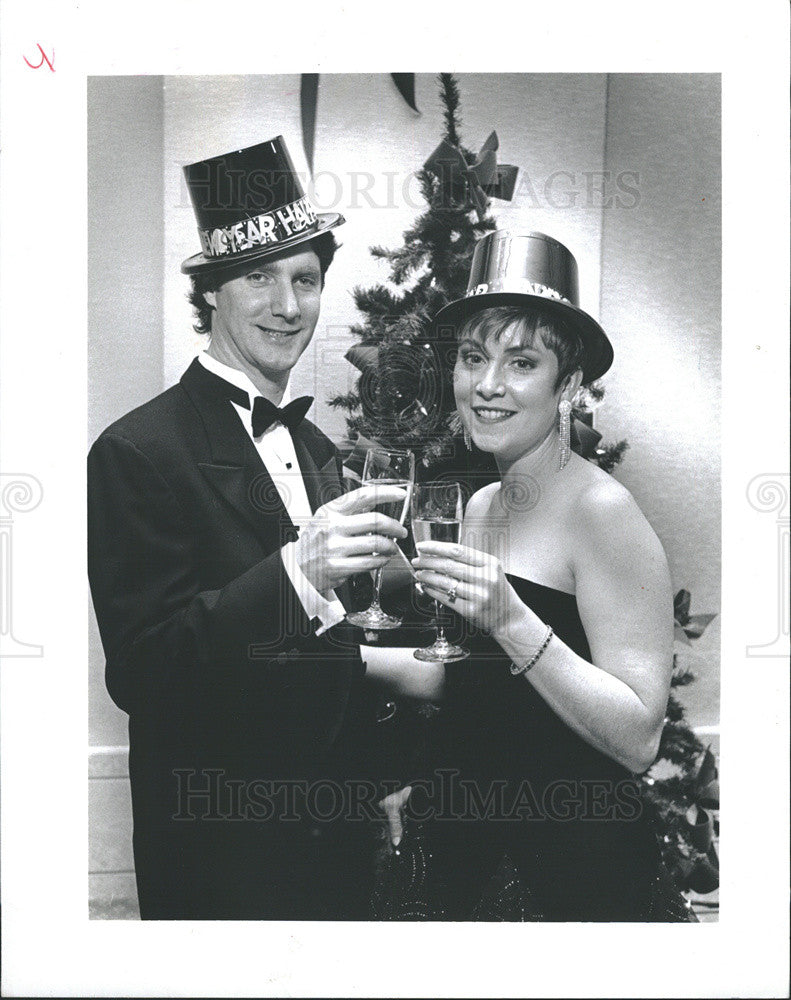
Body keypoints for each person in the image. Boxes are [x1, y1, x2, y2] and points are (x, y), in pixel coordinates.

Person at [88, 136, 408, 920]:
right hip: (218, 854)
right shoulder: (136, 451)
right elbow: (143, 673)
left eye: (304, 279)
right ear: (212, 296)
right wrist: (296, 573)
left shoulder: (320, 450)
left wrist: (382, 775)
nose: (286, 304)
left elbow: (332, 660)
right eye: (257, 277)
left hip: (336, 848)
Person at [372, 230, 694, 921]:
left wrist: (513, 620)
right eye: (471, 358)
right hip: (469, 842)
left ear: (569, 384)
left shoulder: (601, 511)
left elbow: (638, 740)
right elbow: (482, 684)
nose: (486, 386)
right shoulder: (483, 502)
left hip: (573, 862)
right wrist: (350, 657)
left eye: (521, 362)